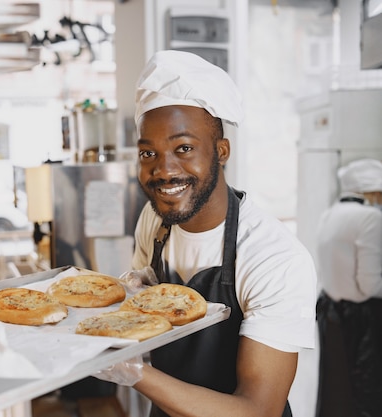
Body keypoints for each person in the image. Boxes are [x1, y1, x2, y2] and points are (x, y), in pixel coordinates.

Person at [95, 50, 317, 417]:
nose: (164, 170)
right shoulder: (154, 224)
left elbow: (258, 410)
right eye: (148, 154)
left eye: (184, 148)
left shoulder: (274, 259)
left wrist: (134, 372)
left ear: (221, 150)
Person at [315, 158, 382, 417]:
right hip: (362, 319)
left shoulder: (330, 214)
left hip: (332, 313)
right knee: (365, 392)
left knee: (336, 387)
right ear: (371, 191)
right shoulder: (371, 218)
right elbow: (369, 286)